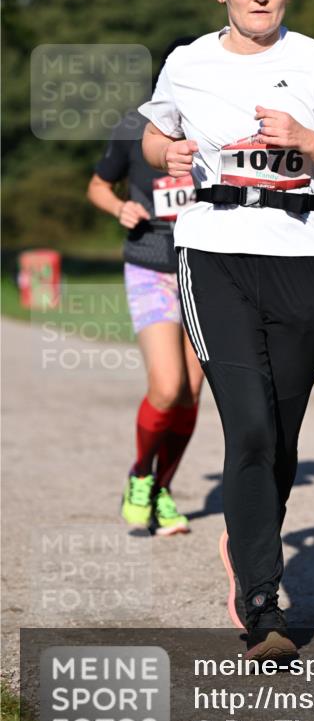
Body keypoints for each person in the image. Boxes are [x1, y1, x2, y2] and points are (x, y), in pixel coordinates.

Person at [140, 0, 314, 658]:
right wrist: (168, 151)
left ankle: (245, 539)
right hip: (212, 252)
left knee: (281, 436)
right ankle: (262, 601)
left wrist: (307, 138)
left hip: (298, 255)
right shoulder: (187, 62)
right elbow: (153, 137)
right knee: (246, 427)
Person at [87, 38, 204, 537]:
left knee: (191, 395)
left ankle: (162, 489)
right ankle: (139, 474)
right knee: (168, 386)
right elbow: (98, 185)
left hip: (205, 268)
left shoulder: (220, 125)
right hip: (151, 264)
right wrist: (120, 207)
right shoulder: (134, 127)